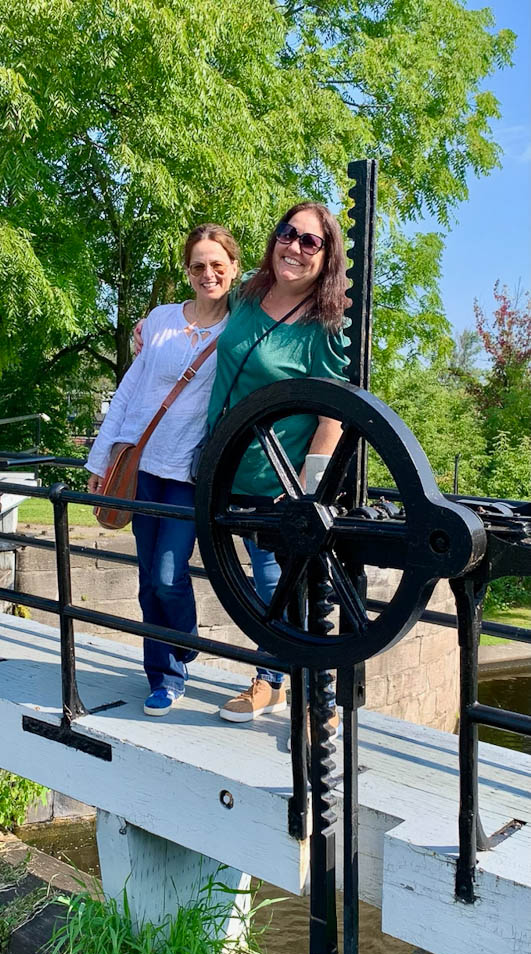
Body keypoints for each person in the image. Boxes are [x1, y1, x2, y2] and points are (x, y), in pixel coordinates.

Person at [134, 203, 350, 734]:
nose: (294, 247)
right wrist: (152, 327)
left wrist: (305, 492)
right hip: (220, 471)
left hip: (278, 486)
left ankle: (309, 697)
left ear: (327, 259)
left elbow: (332, 418)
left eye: (310, 242)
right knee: (255, 591)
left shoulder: (324, 327)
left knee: (281, 585)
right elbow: (201, 306)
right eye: (287, 233)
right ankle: (273, 680)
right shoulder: (251, 294)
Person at [86, 224, 240, 717]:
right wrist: (100, 458)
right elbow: (131, 390)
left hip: (187, 473)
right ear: (187, 270)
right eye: (198, 265)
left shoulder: (240, 329)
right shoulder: (159, 321)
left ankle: (184, 642)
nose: (208, 274)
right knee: (147, 576)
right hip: (140, 465)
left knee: (170, 576)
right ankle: (165, 676)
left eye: (218, 264)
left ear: (234, 268)